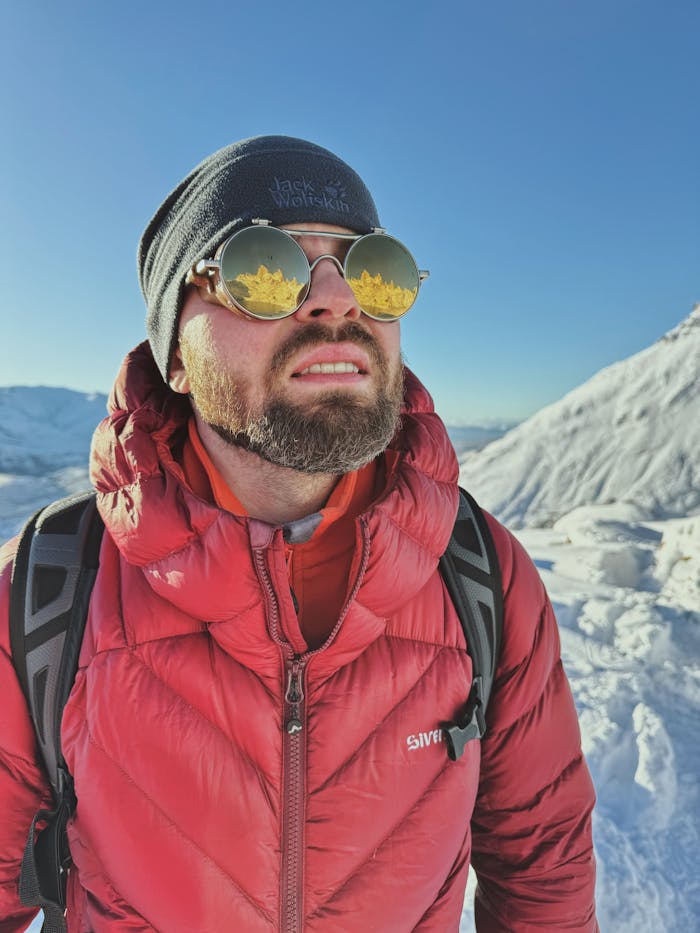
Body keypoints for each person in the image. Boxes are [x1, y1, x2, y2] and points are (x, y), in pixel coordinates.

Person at [0, 136, 598, 931]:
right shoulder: (48, 589)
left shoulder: (480, 572)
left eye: (371, 270)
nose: (337, 301)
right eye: (263, 267)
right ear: (175, 352)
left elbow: (543, 875)